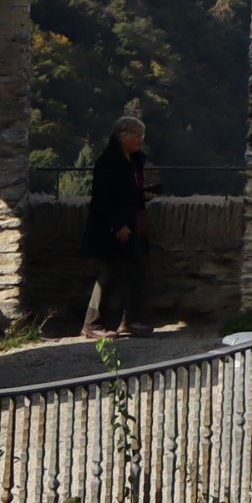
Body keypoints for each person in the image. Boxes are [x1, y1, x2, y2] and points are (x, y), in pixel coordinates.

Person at [83, 114, 157, 336]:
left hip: (130, 226)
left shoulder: (132, 161)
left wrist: (143, 196)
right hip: (113, 229)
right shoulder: (108, 163)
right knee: (108, 274)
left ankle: (130, 321)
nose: (141, 140)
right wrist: (117, 226)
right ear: (123, 136)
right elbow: (103, 199)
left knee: (136, 272)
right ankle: (92, 324)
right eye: (137, 135)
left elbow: (127, 193)